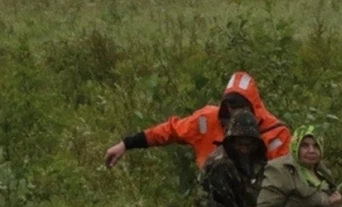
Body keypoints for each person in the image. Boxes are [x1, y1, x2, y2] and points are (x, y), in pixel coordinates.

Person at [103, 70, 291, 169]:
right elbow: (170, 130)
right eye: (231, 106)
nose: (235, 113)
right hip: (212, 205)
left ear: (253, 107)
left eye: (241, 106)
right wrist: (127, 144)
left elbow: (283, 180)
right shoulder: (207, 120)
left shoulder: (276, 133)